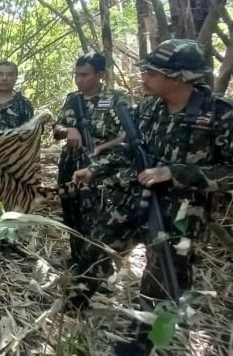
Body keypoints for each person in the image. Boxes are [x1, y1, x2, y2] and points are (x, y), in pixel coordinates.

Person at [72, 39, 233, 354]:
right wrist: (96, 170)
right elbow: (132, 150)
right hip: (134, 197)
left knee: (163, 279)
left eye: (151, 73)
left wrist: (176, 172)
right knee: (97, 247)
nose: (143, 77)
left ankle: (142, 341)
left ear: (179, 78)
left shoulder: (219, 114)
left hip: (181, 213)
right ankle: (74, 301)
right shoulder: (149, 107)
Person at [53, 53, 129, 268]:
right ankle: (76, 259)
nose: (79, 79)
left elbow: (127, 134)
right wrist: (69, 130)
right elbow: (56, 129)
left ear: (100, 74)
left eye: (84, 75)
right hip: (70, 164)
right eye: (76, 75)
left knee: (97, 218)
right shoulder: (72, 99)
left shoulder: (116, 100)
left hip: (102, 169)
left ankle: (98, 270)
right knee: (71, 213)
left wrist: (101, 148)